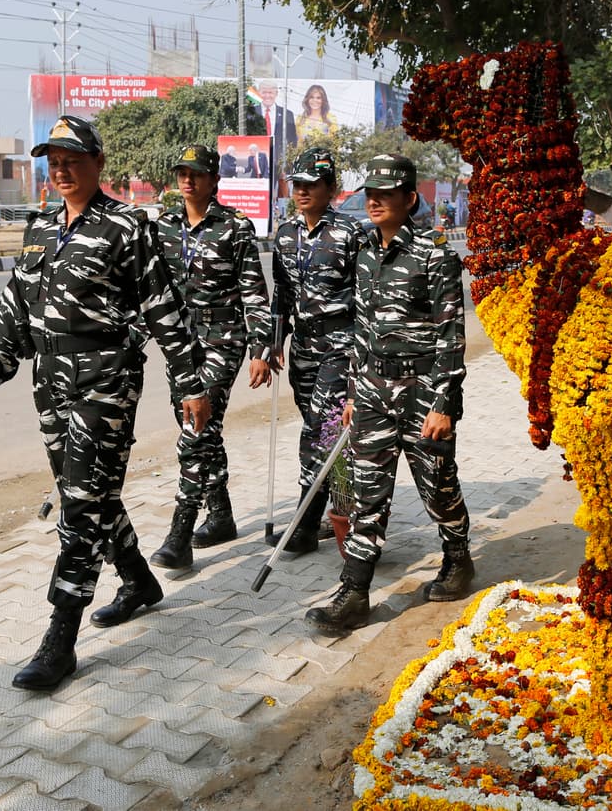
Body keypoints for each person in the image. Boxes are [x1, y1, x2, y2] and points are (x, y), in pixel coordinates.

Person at [0, 115, 209, 692]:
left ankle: (60, 637)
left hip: (107, 378)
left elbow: (165, 308)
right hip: (50, 379)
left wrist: (190, 383)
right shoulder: (40, 228)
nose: (62, 170)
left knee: (80, 505)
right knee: (92, 494)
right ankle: (139, 581)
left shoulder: (128, 227)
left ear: (98, 163)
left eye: (74, 159)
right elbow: (14, 305)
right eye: (54, 160)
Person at [305, 153, 472, 635]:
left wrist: (443, 403)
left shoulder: (435, 253)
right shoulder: (364, 254)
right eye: (369, 194)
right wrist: (356, 388)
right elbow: (360, 327)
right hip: (374, 391)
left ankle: (458, 558)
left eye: (385, 193)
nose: (374, 201)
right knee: (365, 493)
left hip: (422, 391)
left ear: (409, 198)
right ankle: (354, 592)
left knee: (437, 487)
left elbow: (451, 336)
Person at [147, 145, 274, 570]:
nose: (187, 180)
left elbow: (255, 292)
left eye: (196, 173)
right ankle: (220, 516)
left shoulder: (235, 227)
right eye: (182, 173)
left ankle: (179, 534)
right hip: (180, 344)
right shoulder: (163, 227)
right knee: (203, 428)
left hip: (223, 338)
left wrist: (260, 348)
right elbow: (151, 291)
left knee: (195, 430)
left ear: (213, 180)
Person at [266, 147, 362, 555]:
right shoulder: (285, 235)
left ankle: (305, 525)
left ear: (329, 188)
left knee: (317, 434)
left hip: (339, 347)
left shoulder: (349, 234)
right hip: (303, 347)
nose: (303, 192)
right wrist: (272, 343)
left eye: (312, 185)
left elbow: (364, 298)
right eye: (298, 185)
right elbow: (281, 296)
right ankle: (340, 508)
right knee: (324, 431)